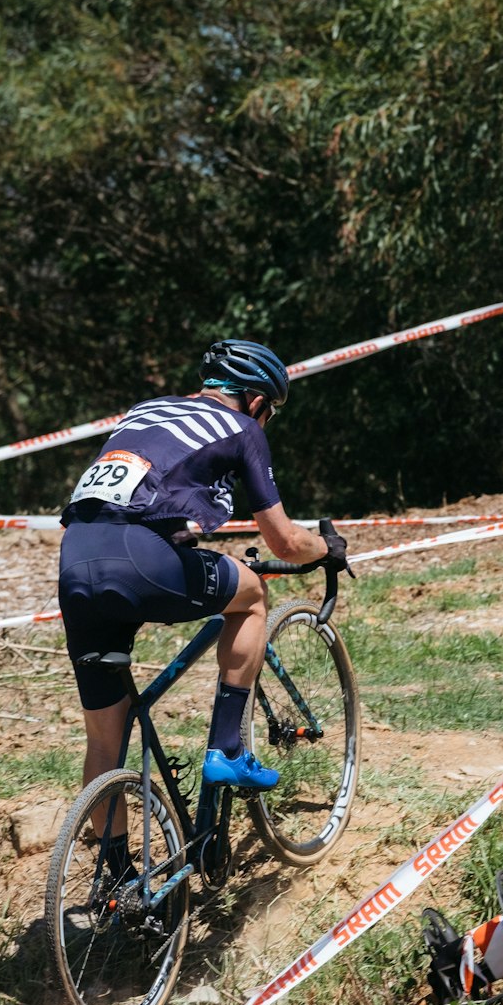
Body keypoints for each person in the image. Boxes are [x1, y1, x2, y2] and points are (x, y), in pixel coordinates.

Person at [58, 339, 348, 872]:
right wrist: (326, 548)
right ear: (258, 400)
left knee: (104, 742)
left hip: (76, 561)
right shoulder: (244, 429)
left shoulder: (147, 410)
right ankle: (227, 751)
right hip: (139, 559)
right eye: (272, 410)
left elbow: (139, 488)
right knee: (252, 596)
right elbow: (283, 541)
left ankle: (120, 884)